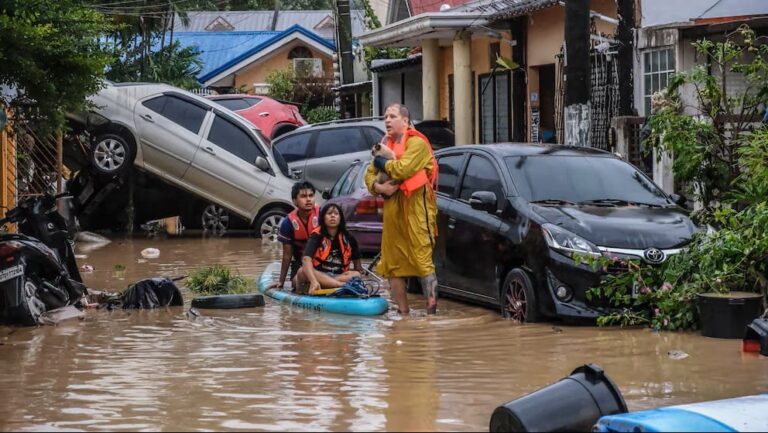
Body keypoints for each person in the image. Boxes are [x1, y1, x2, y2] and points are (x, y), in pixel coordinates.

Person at [364, 103, 439, 314]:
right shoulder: (385, 143)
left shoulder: (417, 144)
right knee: (392, 264)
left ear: (405, 121)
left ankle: (431, 316)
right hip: (392, 212)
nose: (387, 120)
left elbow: (402, 169)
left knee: (423, 262)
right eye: (385, 116)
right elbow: (368, 175)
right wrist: (379, 187)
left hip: (416, 211)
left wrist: (381, 162)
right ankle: (403, 314)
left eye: (392, 116)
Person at [295, 203, 364, 295]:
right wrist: (313, 281)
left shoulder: (349, 238)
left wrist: (358, 278)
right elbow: (306, 259)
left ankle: (330, 284)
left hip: (338, 276)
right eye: (329, 213)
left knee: (356, 275)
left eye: (336, 214)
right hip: (318, 275)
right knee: (302, 271)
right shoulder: (316, 235)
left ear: (340, 218)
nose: (333, 216)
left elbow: (358, 267)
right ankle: (341, 286)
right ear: (323, 218)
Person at [270, 181, 320, 290]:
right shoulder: (288, 223)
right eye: (303, 196)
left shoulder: (323, 216)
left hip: (323, 264)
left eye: (311, 196)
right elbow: (287, 255)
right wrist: (281, 281)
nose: (308, 199)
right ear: (295, 201)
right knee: (300, 277)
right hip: (300, 266)